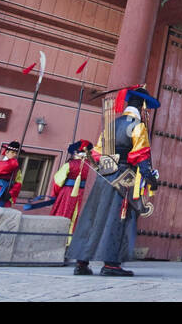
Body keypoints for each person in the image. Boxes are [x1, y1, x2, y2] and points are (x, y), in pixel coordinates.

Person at [68, 86, 160, 277]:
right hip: (125, 179)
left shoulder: (111, 124)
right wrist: (150, 178)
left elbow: (97, 153)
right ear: (142, 107)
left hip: (105, 177)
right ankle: (111, 265)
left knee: (94, 217)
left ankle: (81, 262)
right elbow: (141, 155)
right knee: (118, 219)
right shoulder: (138, 126)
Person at [50, 140, 95, 228]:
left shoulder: (69, 165)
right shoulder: (92, 166)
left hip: (67, 194)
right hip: (84, 194)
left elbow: (57, 182)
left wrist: (55, 196)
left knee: (63, 214)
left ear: (76, 152)